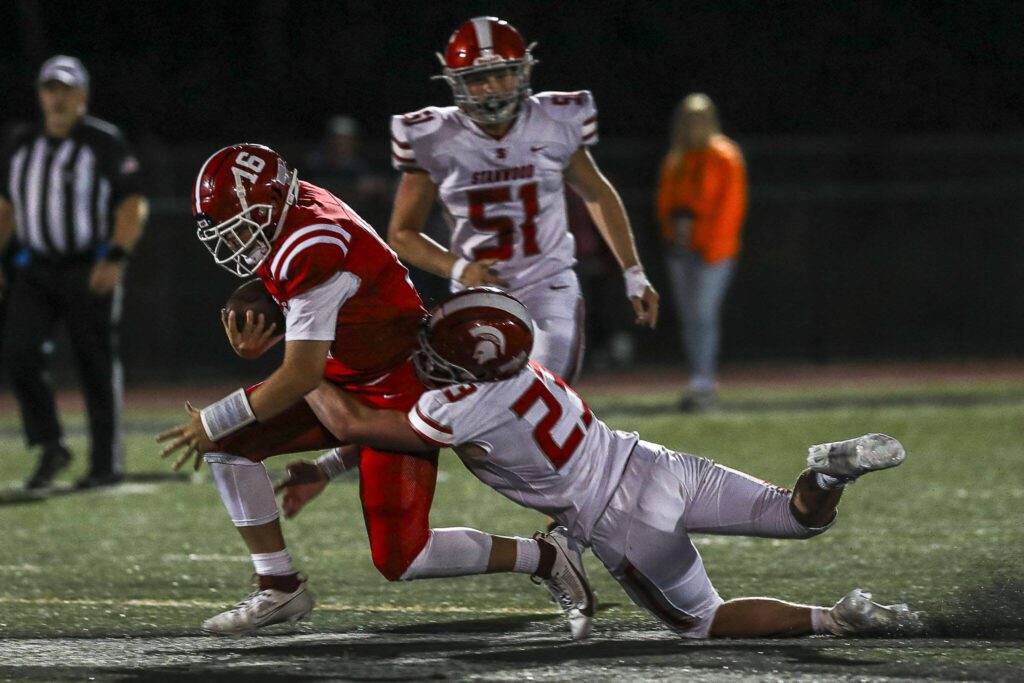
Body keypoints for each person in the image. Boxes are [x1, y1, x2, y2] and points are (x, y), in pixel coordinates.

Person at [277, 288, 922, 640]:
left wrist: (294, 359)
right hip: (652, 461)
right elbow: (395, 436)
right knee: (799, 515)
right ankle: (831, 473)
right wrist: (332, 470)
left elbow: (358, 423)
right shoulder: (525, 367)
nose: (428, 357)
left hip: (619, 519)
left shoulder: (458, 404)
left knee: (701, 622)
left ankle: (836, 619)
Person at [157, 144, 595, 639]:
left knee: (402, 557)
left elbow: (301, 375)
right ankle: (279, 587)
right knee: (227, 447)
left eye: (241, 222)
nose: (236, 239)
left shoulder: (312, 247)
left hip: (401, 386)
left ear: (275, 201)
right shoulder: (294, 213)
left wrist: (214, 418)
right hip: (348, 372)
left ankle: (544, 555)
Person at [388, 16, 659, 384]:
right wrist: (459, 269)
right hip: (477, 294)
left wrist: (634, 272)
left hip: (549, 285)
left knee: (541, 393)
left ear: (523, 72)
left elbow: (596, 192)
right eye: (478, 79)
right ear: (456, 82)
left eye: (503, 74)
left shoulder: (553, 120)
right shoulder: (435, 136)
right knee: (474, 421)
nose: (493, 87)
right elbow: (402, 233)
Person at [0, 55, 148, 490]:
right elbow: (6, 208)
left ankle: (105, 463)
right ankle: (51, 445)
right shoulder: (21, 141)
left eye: (66, 89)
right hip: (37, 267)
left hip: (89, 265)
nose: (57, 97)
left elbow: (132, 202)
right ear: (40, 94)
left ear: (82, 95)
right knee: (19, 354)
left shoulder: (103, 142)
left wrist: (116, 258)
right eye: (50, 88)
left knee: (95, 365)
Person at [656, 93, 747, 412]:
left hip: (713, 251)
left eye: (699, 119)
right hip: (682, 250)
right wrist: (674, 237)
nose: (694, 125)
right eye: (688, 119)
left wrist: (709, 246)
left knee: (703, 314)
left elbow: (730, 208)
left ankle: (704, 380)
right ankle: (698, 377)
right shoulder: (677, 158)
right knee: (689, 316)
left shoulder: (724, 156)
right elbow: (666, 204)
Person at [303, 115, 388, 229]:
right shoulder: (315, 163)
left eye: (347, 140)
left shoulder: (358, 165)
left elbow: (369, 186)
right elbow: (314, 189)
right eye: (338, 139)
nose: (342, 144)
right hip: (319, 218)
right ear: (330, 140)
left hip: (350, 219)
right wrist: (354, 188)